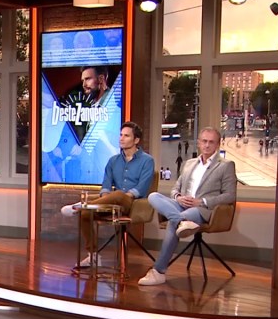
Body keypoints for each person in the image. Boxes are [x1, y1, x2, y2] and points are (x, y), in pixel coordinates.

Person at [139, 127, 236, 286]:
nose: (207, 145)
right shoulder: (189, 164)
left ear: (218, 144)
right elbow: (175, 189)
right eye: (204, 141)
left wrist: (201, 202)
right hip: (181, 206)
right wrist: (179, 197)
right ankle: (181, 221)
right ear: (199, 143)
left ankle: (158, 271)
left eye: (211, 142)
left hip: (201, 210)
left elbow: (230, 195)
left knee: (173, 222)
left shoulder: (225, 165)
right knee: (153, 196)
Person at [61, 122, 155, 268]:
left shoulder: (147, 161)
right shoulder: (113, 161)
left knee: (119, 194)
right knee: (85, 214)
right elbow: (106, 184)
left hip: (132, 203)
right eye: (121, 135)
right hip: (111, 202)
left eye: (126, 136)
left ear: (136, 140)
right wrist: (105, 196)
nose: (121, 138)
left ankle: (79, 206)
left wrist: (123, 195)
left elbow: (142, 187)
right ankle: (93, 256)